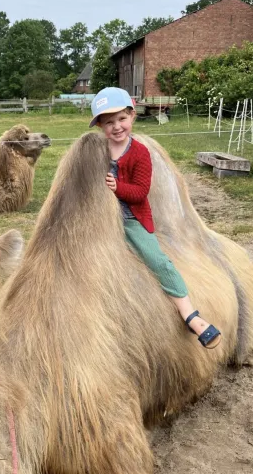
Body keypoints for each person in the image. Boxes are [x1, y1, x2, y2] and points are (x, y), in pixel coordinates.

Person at [89, 86, 221, 349]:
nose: (117, 127)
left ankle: (190, 315)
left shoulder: (139, 153)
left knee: (158, 261)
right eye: (109, 122)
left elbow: (140, 192)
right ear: (101, 126)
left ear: (132, 115)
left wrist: (117, 188)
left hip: (129, 218)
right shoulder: (97, 151)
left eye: (122, 119)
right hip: (99, 218)